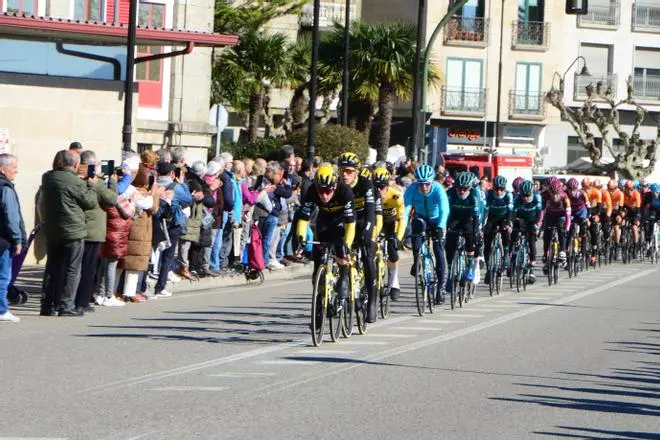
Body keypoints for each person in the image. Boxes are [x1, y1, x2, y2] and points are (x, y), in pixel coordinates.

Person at [41, 150, 99, 316]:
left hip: (53, 229)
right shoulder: (76, 182)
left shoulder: (48, 178)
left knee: (52, 267)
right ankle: (66, 305)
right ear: (75, 164)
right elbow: (90, 202)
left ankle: (48, 305)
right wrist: (90, 185)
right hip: (73, 230)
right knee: (72, 269)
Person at [296, 164, 355, 318]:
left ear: (335, 186)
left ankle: (343, 278)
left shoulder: (345, 192)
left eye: (328, 190)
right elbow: (303, 219)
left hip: (342, 221)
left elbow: (351, 223)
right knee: (318, 264)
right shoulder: (311, 192)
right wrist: (301, 239)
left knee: (341, 251)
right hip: (324, 219)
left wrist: (347, 245)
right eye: (320, 190)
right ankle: (319, 303)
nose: (324, 195)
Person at [336, 152, 381, 323]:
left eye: (348, 171)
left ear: (357, 172)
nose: (344, 174)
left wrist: (368, 233)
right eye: (341, 170)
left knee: (368, 254)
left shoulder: (366, 184)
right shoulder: (338, 184)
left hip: (363, 220)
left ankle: (371, 299)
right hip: (346, 220)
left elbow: (371, 212)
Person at [73, 150, 118, 312]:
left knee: (77, 267)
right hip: (92, 231)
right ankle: (82, 301)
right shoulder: (96, 182)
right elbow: (112, 199)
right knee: (88, 269)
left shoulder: (76, 179)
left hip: (80, 229)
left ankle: (74, 300)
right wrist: (113, 182)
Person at [403, 165, 450, 304]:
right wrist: (405, 228)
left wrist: (441, 226)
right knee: (416, 237)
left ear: (431, 182)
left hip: (436, 220)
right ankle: (417, 259)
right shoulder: (412, 189)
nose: (424, 187)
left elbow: (444, 210)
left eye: (427, 184)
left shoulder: (438, 189)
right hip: (420, 218)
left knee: (439, 250)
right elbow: (405, 209)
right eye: (421, 184)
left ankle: (441, 287)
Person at [373, 168, 406, 301]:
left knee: (392, 250)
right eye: (376, 187)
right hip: (376, 221)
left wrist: (398, 237)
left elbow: (401, 219)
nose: (379, 190)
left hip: (392, 222)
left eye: (382, 187)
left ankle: (394, 282)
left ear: (387, 186)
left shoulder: (396, 196)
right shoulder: (370, 195)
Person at [443, 171, 479, 293]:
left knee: (470, 238)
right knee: (449, 245)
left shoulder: (474, 195)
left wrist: (477, 231)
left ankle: (469, 266)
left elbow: (477, 215)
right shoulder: (450, 193)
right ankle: (450, 274)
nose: (462, 191)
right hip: (454, 217)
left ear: (470, 187)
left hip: (469, 218)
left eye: (465, 188)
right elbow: (445, 212)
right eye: (459, 188)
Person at [0, 154, 26, 322]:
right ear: (3, 169)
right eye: (13, 167)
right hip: (3, 240)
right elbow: (12, 217)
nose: (17, 170)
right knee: (3, 276)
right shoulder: (6, 189)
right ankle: (1, 310)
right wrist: (17, 240)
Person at [483, 176, 514, 284]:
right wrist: (484, 224)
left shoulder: (508, 195)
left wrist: (509, 223)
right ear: (493, 188)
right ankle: (488, 270)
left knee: (506, 232)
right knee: (487, 243)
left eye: (502, 189)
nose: (499, 191)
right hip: (492, 217)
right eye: (497, 189)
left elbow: (510, 210)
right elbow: (485, 210)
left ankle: (506, 254)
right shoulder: (489, 194)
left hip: (504, 217)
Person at [512, 180, 542, 283]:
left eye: (528, 195)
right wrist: (510, 223)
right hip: (520, 218)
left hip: (532, 219)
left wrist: (536, 224)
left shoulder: (537, 197)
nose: (525, 198)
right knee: (513, 235)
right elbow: (513, 213)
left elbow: (539, 214)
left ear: (532, 192)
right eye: (523, 195)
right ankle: (513, 257)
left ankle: (532, 268)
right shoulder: (517, 198)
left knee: (531, 242)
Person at [542, 179, 571, 274]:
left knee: (561, 229)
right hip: (550, 215)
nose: (554, 196)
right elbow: (542, 211)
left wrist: (567, 227)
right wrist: (539, 224)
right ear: (549, 191)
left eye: (557, 194)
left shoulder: (565, 197)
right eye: (552, 193)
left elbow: (568, 215)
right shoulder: (545, 195)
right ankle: (546, 255)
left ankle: (562, 251)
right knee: (547, 234)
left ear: (560, 192)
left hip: (561, 215)